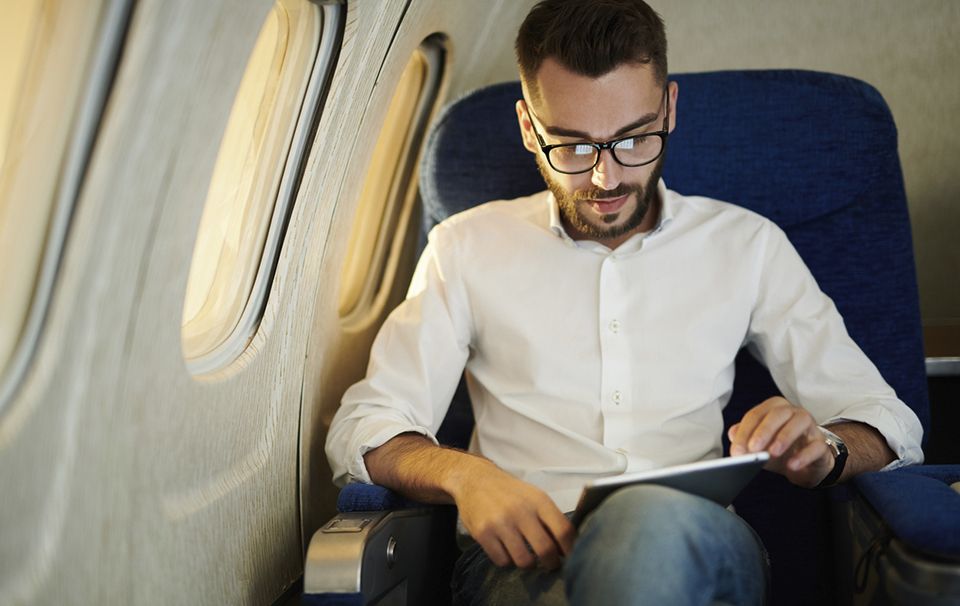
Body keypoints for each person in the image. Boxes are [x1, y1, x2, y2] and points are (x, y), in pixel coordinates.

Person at [325, 1, 925, 604]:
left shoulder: (748, 245)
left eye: (634, 138)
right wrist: (465, 476)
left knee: (651, 529)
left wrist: (825, 450)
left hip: (695, 543)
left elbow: (888, 422)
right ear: (530, 127)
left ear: (669, 108)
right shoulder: (464, 247)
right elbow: (365, 426)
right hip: (523, 563)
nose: (607, 180)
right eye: (574, 146)